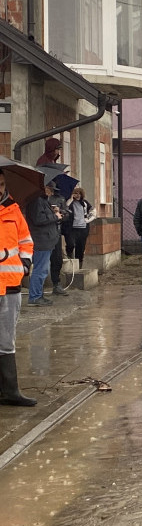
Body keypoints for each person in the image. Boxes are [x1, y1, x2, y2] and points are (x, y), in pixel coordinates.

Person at [0, 167, 37, 406]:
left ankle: (10, 391)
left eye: (2, 184)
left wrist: (24, 264)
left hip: (11, 286)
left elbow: (26, 240)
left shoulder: (14, 210)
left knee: (6, 340)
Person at [25, 181, 63, 306]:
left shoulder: (41, 200)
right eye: (50, 189)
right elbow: (39, 219)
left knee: (42, 269)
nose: (51, 192)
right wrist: (55, 216)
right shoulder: (36, 201)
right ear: (43, 188)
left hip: (46, 240)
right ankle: (35, 297)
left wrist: (53, 211)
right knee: (40, 270)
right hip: (41, 240)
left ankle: (38, 295)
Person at [64, 186, 94, 269]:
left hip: (83, 228)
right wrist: (70, 199)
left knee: (80, 248)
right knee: (70, 244)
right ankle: (70, 257)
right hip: (72, 228)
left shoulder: (85, 203)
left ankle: (79, 266)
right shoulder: (70, 203)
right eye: (75, 193)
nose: (77, 195)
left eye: (79, 194)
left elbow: (92, 211)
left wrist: (88, 219)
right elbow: (65, 209)